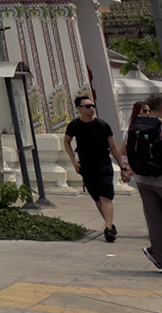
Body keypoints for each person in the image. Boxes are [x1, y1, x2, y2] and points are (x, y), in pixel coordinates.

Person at [64, 94, 126, 240]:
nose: (91, 108)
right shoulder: (74, 125)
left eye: (93, 106)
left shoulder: (102, 125)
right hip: (86, 166)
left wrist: (122, 167)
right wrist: (74, 162)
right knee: (97, 198)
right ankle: (109, 223)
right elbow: (66, 141)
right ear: (79, 109)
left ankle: (108, 228)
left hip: (103, 165)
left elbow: (113, 147)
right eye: (88, 106)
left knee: (106, 197)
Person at [126, 99, 162, 270]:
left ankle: (159, 257)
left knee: (154, 221)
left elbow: (126, 149)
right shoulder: (159, 126)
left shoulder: (135, 127)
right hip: (160, 177)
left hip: (143, 179)